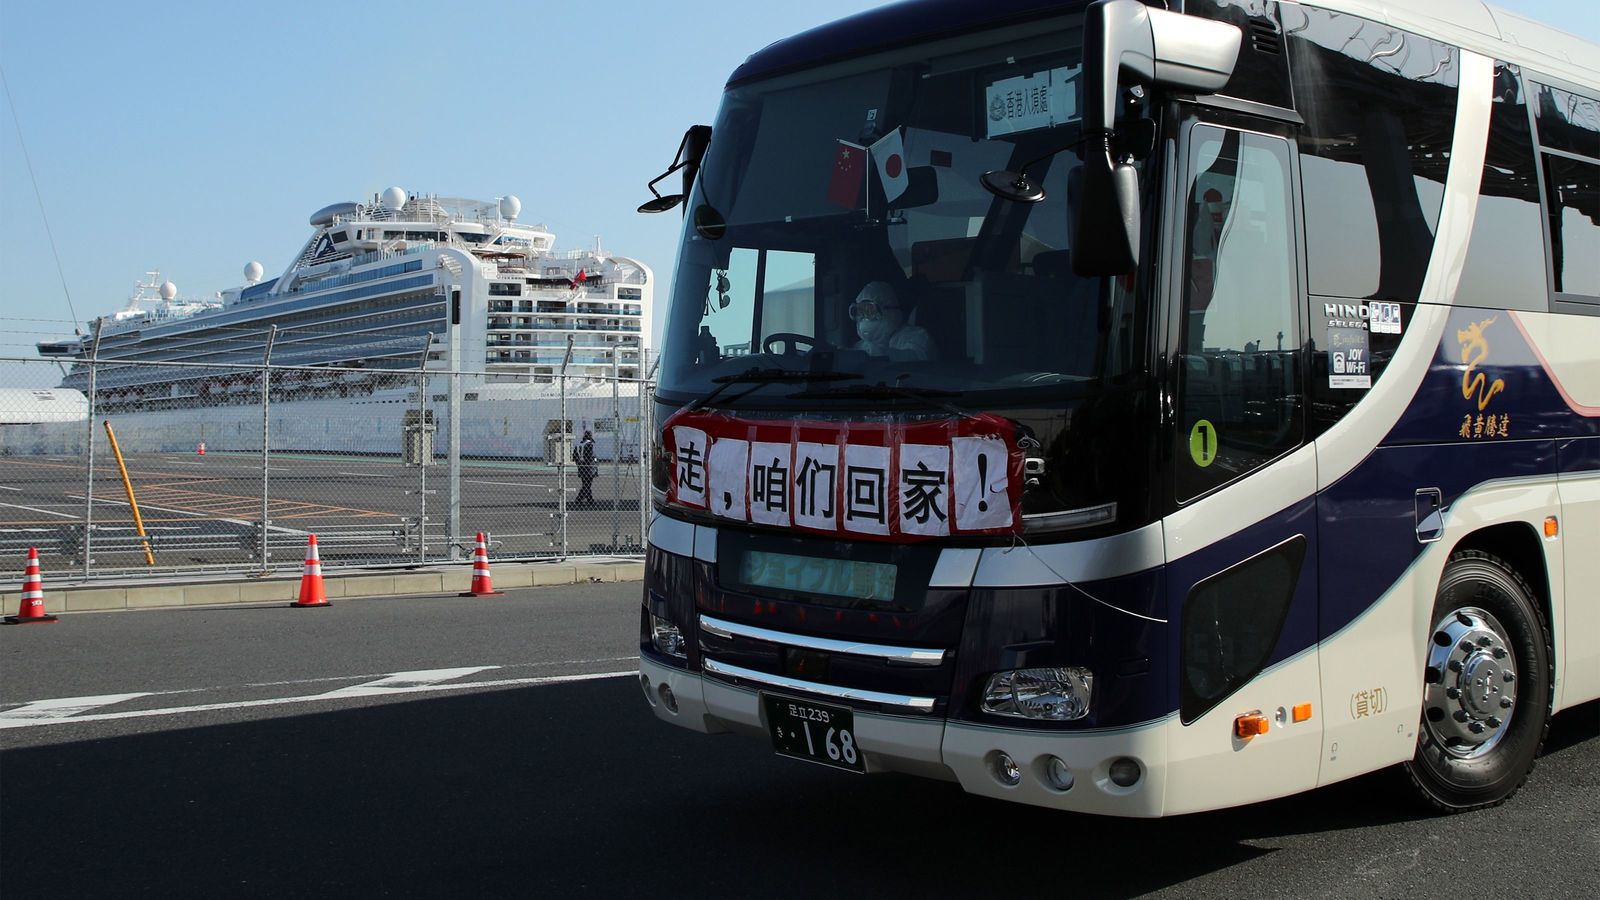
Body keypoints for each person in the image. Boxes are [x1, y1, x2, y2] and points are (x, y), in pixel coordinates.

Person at [850, 281, 934, 360]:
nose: (863, 317)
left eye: (869, 310)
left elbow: (917, 360)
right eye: (859, 312)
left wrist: (878, 356)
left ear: (889, 310)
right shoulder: (861, 346)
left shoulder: (917, 337)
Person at [575, 429, 597, 508]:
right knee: (587, 485)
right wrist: (593, 461)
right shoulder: (589, 445)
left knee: (586, 484)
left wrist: (578, 463)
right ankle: (580, 500)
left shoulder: (579, 444)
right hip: (588, 468)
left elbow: (575, 455)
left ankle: (588, 499)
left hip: (581, 467)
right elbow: (589, 457)